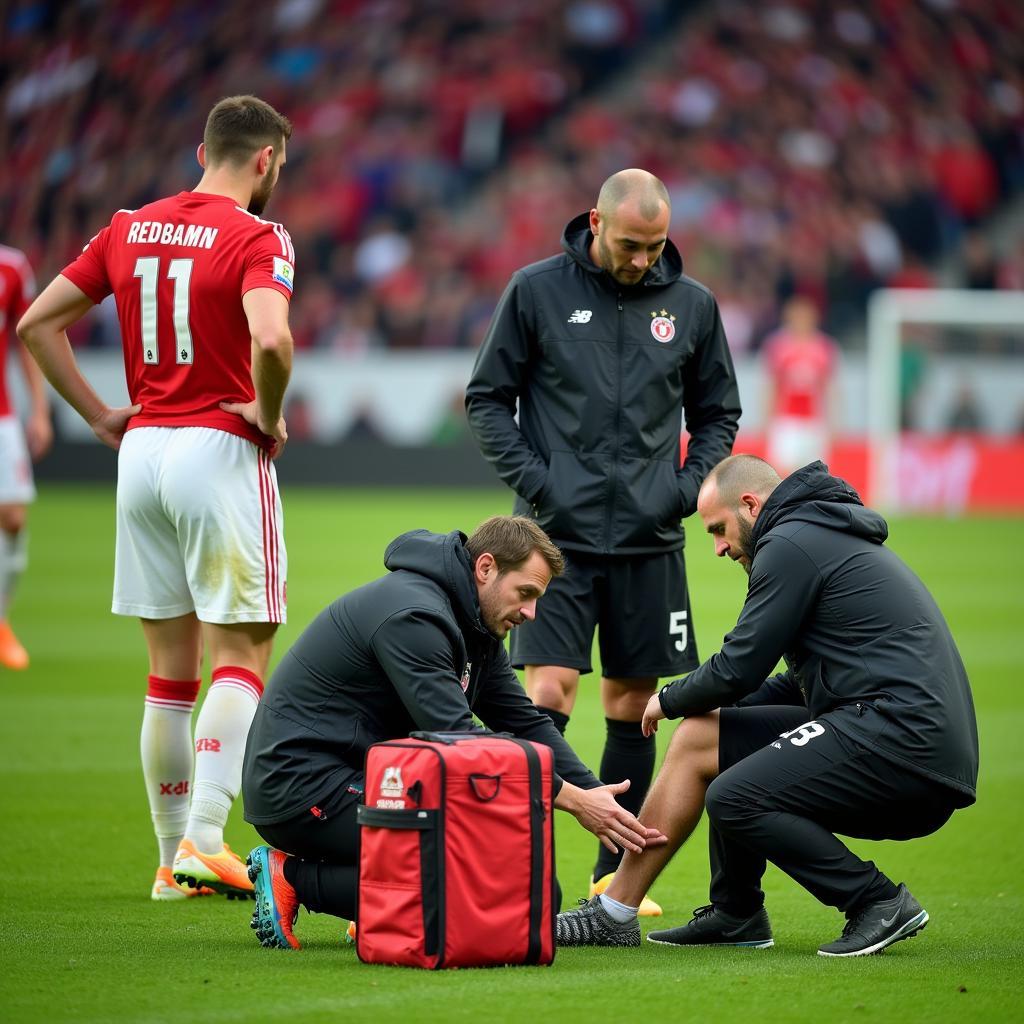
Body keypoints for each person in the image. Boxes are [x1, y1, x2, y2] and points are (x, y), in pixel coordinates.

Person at [17, 95, 296, 902]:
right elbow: (271, 338)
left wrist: (99, 413)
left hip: (141, 451)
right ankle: (205, 840)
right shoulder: (257, 235)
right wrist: (269, 415)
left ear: (201, 149)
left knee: (169, 675)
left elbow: (37, 325)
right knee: (241, 653)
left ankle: (170, 860)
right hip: (218, 445)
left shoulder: (130, 224)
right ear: (266, 159)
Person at [556, 455, 978, 957]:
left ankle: (877, 901)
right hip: (881, 724)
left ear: (751, 505)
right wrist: (713, 716)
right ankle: (673, 913)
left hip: (905, 741)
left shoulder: (790, 543)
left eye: (718, 529)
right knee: (704, 739)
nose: (717, 548)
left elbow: (740, 665)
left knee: (735, 796)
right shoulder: (810, 535)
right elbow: (798, 684)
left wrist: (667, 699)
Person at [465, 168, 741, 912]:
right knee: (547, 691)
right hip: (552, 543)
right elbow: (487, 398)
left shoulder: (692, 306)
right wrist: (542, 482)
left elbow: (719, 413)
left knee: (635, 703)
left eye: (654, 247)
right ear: (595, 221)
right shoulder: (535, 291)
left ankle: (608, 874)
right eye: (628, 244)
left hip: (650, 539)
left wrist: (685, 492)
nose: (641, 260)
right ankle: (531, 870)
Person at [242, 516, 667, 950]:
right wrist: (573, 801)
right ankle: (292, 877)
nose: (531, 612)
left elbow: (526, 721)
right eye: (526, 594)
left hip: (363, 778)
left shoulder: (476, 624)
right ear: (485, 568)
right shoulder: (415, 616)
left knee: (530, 892)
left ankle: (377, 903)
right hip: (300, 787)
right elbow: (460, 739)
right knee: (500, 886)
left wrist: (597, 797)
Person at [0, 244, 52, 669]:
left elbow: (25, 339)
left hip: (2, 417)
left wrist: (38, 409)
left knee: (14, 518)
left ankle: (1, 621)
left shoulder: (13, 267)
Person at [760, 295, 840, 475]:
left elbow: (830, 387)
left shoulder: (823, 347)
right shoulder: (778, 346)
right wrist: (766, 419)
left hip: (814, 420)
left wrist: (834, 421)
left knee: (816, 471)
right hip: (786, 419)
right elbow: (771, 385)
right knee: (782, 469)